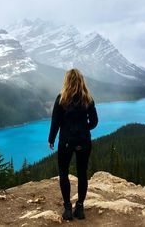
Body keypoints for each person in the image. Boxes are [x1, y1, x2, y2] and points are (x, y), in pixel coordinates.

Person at [48, 68, 98, 220]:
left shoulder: (61, 99)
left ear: (67, 81)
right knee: (82, 174)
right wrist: (84, 129)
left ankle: (68, 209)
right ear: (81, 81)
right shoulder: (88, 99)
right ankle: (80, 208)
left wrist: (51, 139)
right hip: (84, 141)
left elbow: (55, 122)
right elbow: (94, 122)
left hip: (66, 142)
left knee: (63, 173)